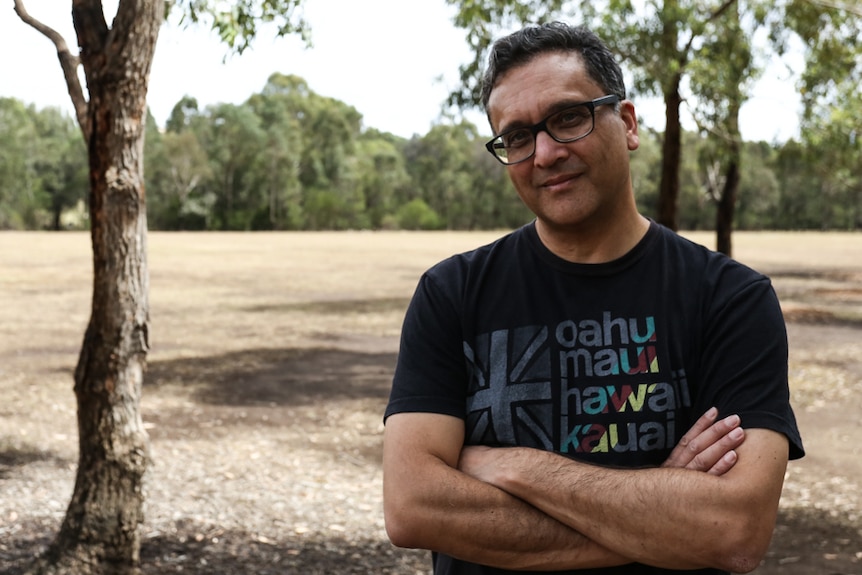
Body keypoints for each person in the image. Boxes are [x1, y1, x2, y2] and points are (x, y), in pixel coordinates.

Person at [382, 21, 804, 575]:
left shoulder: (730, 299)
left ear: (626, 122)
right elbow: (413, 509)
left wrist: (516, 468)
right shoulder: (452, 293)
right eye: (516, 137)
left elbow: (735, 530)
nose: (545, 153)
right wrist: (664, 516)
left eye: (568, 118)